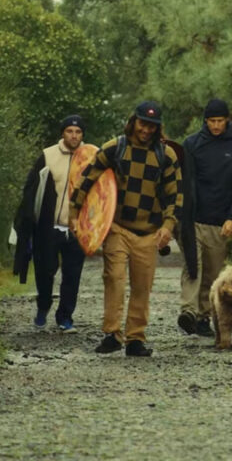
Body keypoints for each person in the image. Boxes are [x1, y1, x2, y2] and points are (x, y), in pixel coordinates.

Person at [69, 101, 182, 357]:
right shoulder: (115, 148)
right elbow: (86, 179)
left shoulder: (167, 156)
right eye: (143, 124)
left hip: (149, 232)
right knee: (115, 280)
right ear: (134, 121)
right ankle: (112, 334)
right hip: (117, 228)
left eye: (152, 126)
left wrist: (168, 225)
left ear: (157, 127)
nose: (146, 130)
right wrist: (75, 214)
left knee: (142, 287)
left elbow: (175, 195)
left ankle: (135, 339)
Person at [176, 99, 232, 337]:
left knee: (212, 272)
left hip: (219, 220)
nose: (216, 125)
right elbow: (183, 181)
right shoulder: (192, 144)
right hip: (192, 219)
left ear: (227, 120)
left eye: (220, 121)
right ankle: (188, 311)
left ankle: (202, 317)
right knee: (192, 265)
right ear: (205, 121)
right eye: (212, 121)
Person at [12, 115, 92, 333]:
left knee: (72, 275)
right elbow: (31, 189)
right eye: (69, 131)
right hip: (49, 227)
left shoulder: (92, 157)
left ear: (82, 135)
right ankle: (44, 304)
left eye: (78, 132)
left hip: (77, 228)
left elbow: (103, 193)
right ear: (62, 133)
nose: (74, 136)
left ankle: (65, 317)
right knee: (45, 271)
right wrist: (27, 223)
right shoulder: (48, 155)